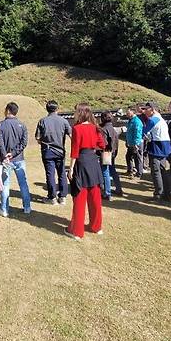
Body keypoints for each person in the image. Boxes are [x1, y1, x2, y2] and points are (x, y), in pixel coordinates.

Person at [65, 103, 106, 240]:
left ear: (80, 113)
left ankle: (76, 231)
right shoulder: (95, 128)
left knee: (80, 198)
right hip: (93, 162)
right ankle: (96, 227)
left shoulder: (76, 129)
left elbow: (75, 151)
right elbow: (102, 145)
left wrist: (70, 168)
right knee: (95, 197)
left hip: (81, 163)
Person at [0, 102, 32, 216]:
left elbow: (0, 143)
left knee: (5, 184)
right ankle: (27, 207)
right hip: (19, 158)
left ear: (7, 110)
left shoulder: (1, 125)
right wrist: (14, 153)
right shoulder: (22, 125)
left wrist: (5, 155)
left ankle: (4, 209)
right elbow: (24, 143)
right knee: (23, 184)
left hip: (6, 160)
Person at [35, 100, 72, 205]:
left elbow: (37, 138)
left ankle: (52, 197)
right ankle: (63, 196)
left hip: (47, 151)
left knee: (50, 174)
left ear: (47, 109)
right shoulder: (64, 121)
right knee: (62, 173)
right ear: (57, 108)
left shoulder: (42, 121)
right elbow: (71, 135)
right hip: (60, 151)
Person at [143, 102, 171, 202]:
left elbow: (144, 131)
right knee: (163, 171)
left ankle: (158, 194)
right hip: (164, 146)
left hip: (157, 147)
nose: (144, 111)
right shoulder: (161, 119)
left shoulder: (153, 120)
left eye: (146, 109)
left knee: (156, 172)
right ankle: (167, 194)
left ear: (152, 109)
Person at [100, 111, 123, 198]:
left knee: (105, 172)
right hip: (113, 152)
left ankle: (107, 193)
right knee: (113, 171)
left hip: (106, 152)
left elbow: (103, 143)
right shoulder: (113, 129)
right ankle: (118, 189)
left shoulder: (104, 130)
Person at [124, 106, 143, 177]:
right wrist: (127, 141)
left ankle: (139, 173)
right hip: (131, 143)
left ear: (133, 112)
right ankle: (130, 171)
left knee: (137, 158)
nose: (127, 114)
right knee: (128, 157)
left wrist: (136, 143)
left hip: (136, 143)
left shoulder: (136, 121)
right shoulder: (130, 120)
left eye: (128, 112)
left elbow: (137, 133)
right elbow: (129, 132)